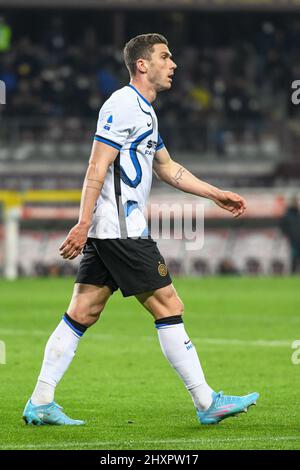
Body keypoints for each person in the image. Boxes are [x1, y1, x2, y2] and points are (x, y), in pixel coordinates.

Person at [23, 33, 259, 426]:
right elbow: (96, 167)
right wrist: (83, 221)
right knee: (170, 306)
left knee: (83, 310)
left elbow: (167, 168)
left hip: (110, 230)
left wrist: (215, 193)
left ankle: (40, 400)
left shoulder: (146, 112)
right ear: (143, 65)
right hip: (121, 230)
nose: (174, 64)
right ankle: (206, 402)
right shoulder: (121, 105)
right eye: (166, 57)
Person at [280, 197, 300, 273]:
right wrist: (288, 235)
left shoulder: (297, 215)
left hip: (296, 240)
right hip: (293, 241)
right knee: (294, 257)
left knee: (295, 257)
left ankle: (294, 272)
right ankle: (293, 272)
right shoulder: (287, 216)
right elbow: (283, 227)